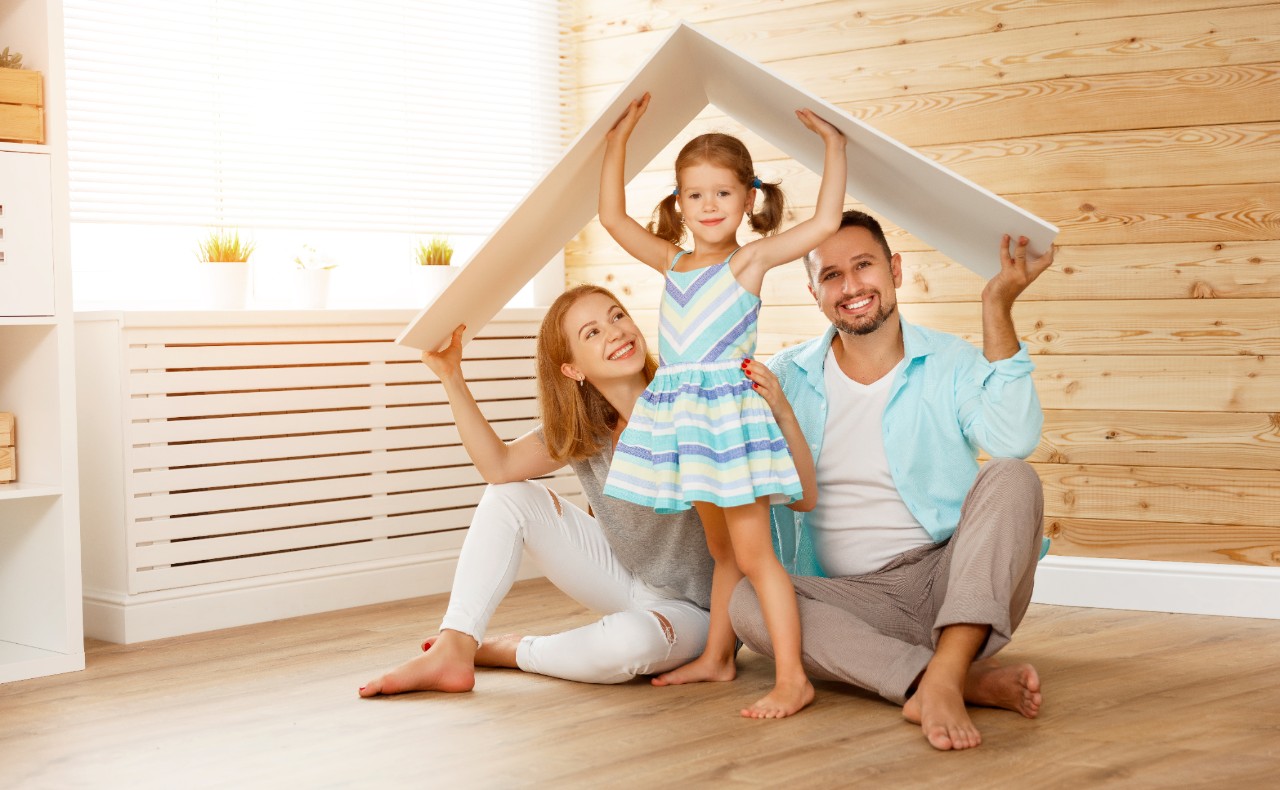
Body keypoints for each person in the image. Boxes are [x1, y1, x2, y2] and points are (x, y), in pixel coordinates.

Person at [358, 284, 802, 696]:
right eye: (592, 332)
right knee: (508, 496)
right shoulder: (585, 430)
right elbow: (499, 466)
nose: (615, 332)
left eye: (617, 316)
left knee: (631, 644)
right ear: (572, 368)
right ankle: (455, 646)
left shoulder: (690, 405)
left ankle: (511, 650)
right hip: (630, 582)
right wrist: (451, 376)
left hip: (701, 611)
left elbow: (743, 544)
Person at [729, 210, 1054, 749]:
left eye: (864, 266)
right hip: (850, 600)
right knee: (747, 600)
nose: (851, 285)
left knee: (1014, 476)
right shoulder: (786, 375)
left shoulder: (948, 360)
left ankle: (945, 671)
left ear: (895, 270)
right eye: (831, 275)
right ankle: (946, 681)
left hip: (954, 582)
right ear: (814, 292)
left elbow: (1014, 437)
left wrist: (996, 304)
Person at [596, 91, 845, 718]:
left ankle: (793, 677)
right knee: (724, 554)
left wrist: (833, 147)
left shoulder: (750, 259)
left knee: (756, 554)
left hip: (729, 423)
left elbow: (823, 224)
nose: (709, 206)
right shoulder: (673, 261)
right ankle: (717, 656)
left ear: (748, 199)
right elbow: (611, 219)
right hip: (687, 423)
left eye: (723, 194)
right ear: (678, 202)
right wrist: (617, 140)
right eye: (695, 195)